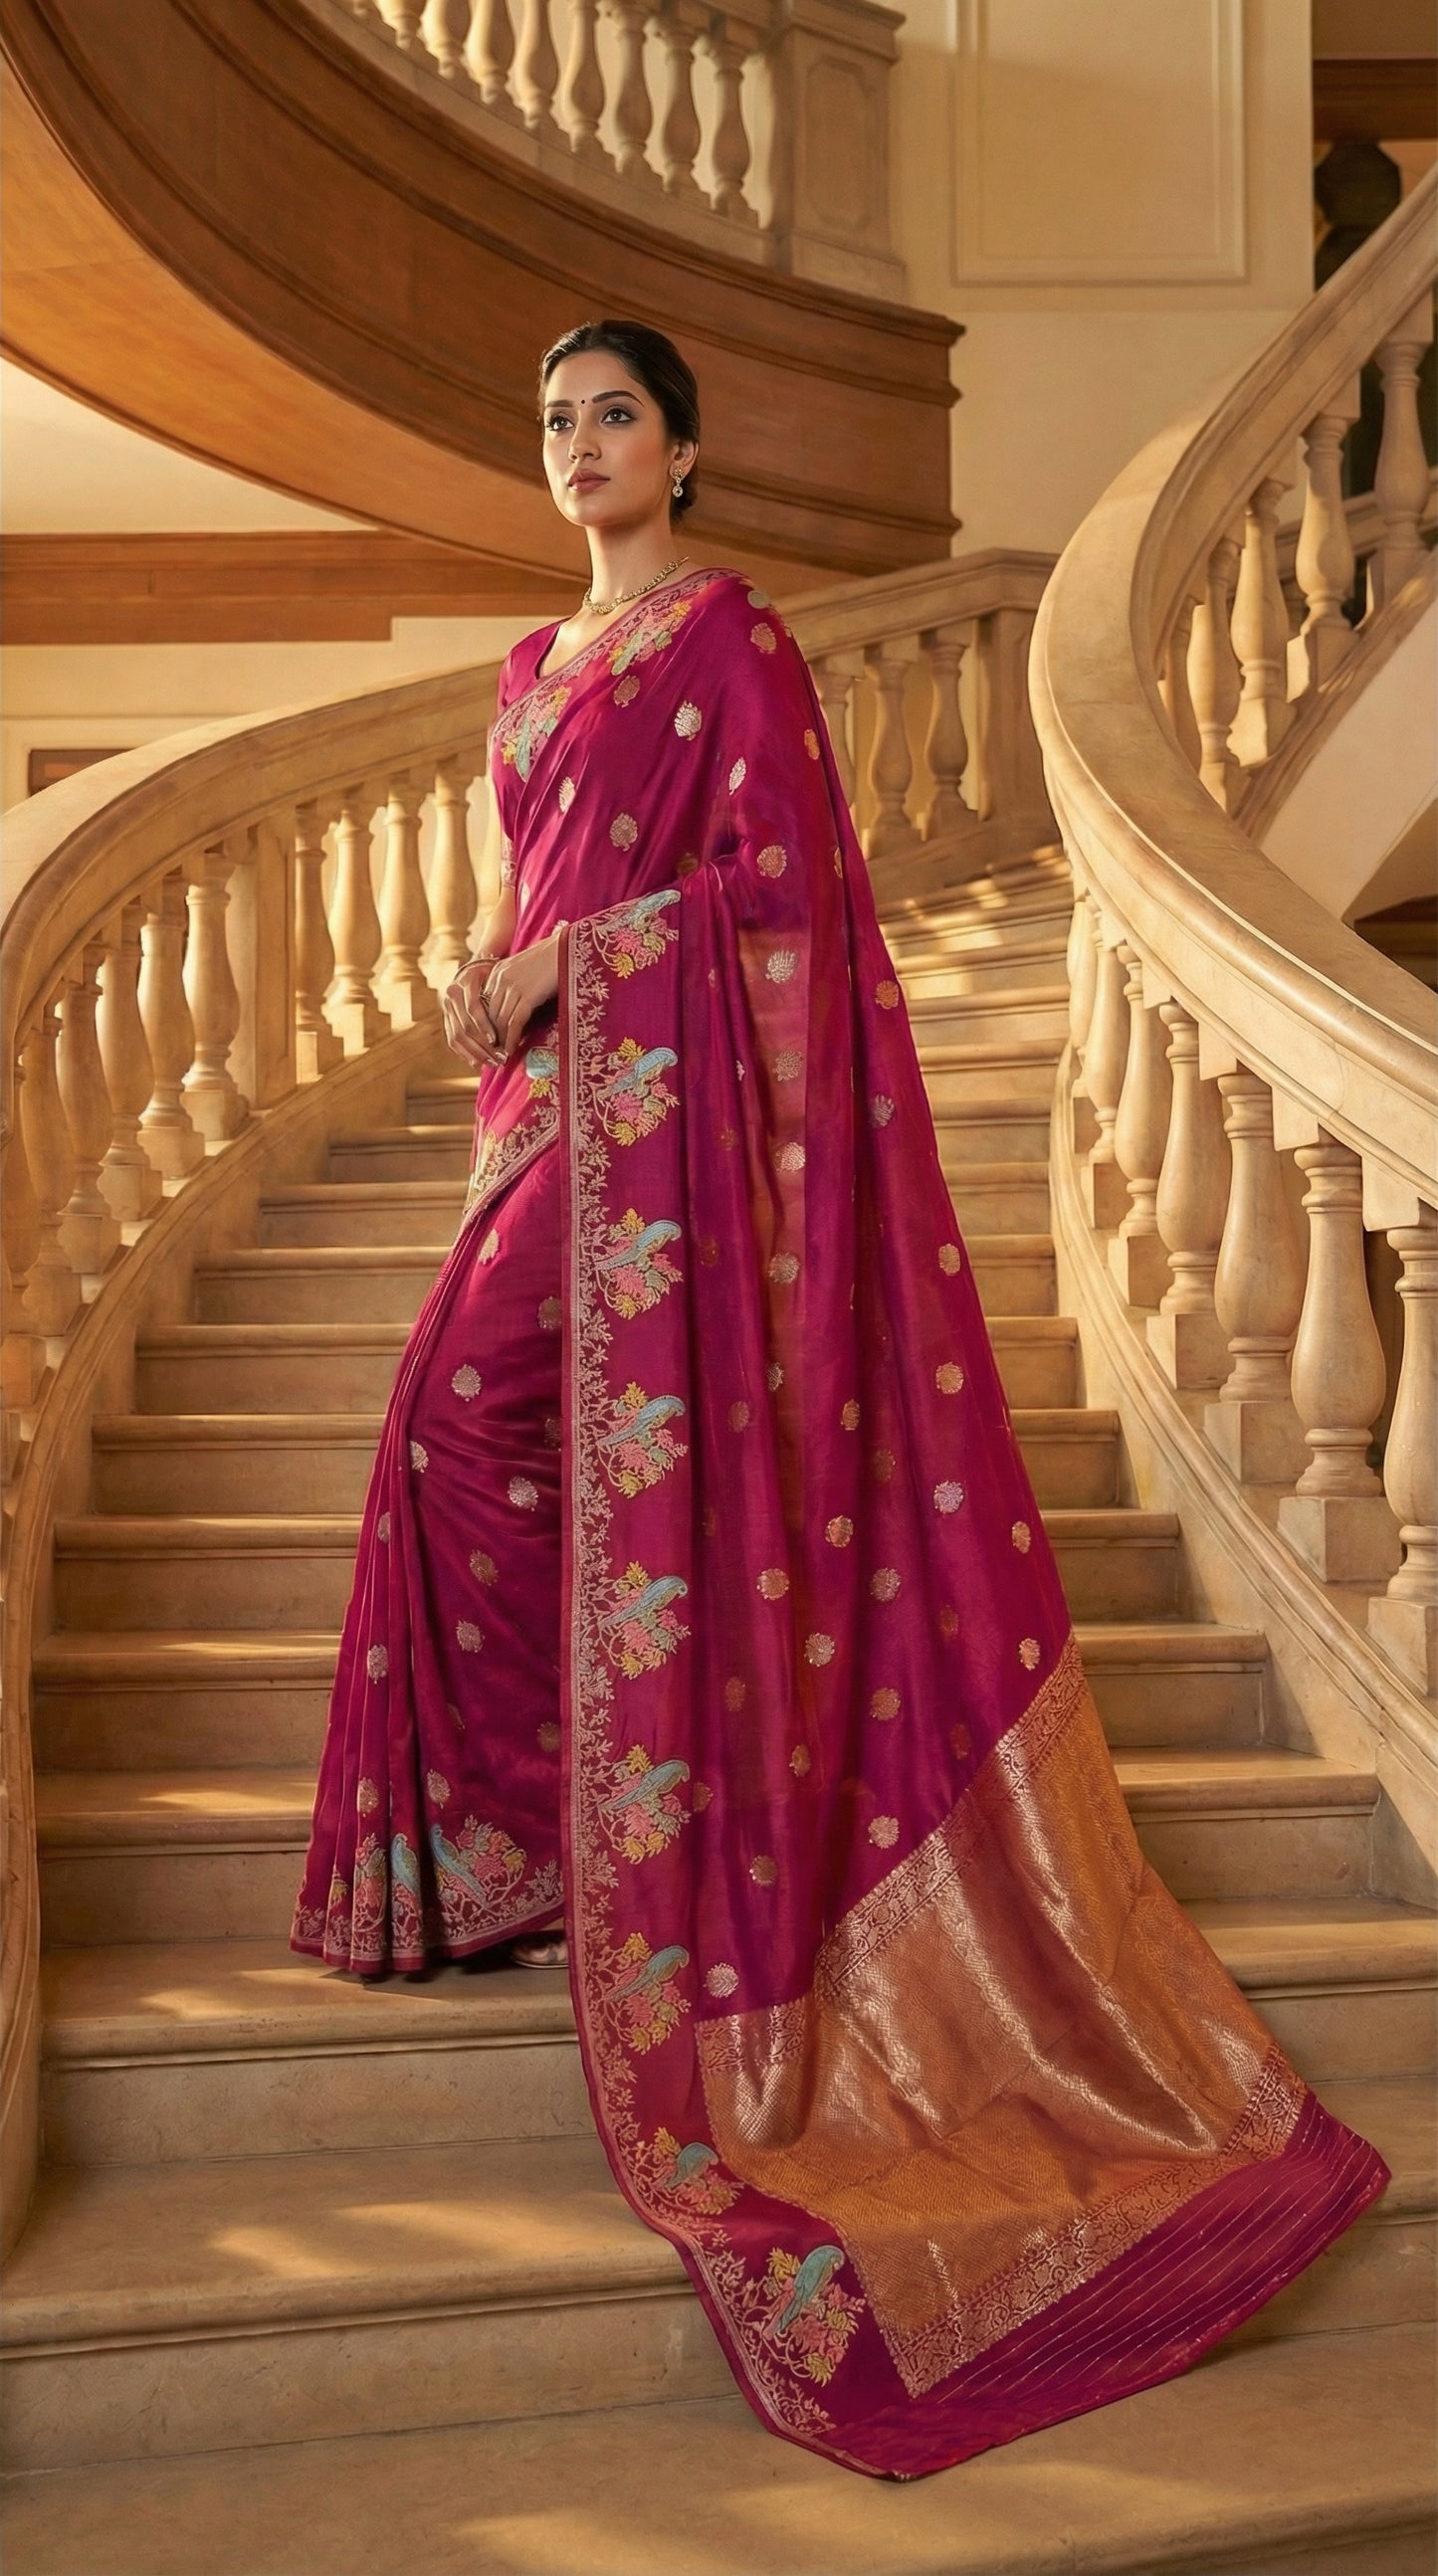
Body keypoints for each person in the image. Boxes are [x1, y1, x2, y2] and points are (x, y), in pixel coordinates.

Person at [293, 318, 1388, 2479]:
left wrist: (587, 962)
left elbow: (788, 893)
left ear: (683, 449)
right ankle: (554, 1839)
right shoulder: (528, 674)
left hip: (661, 1126)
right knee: (442, 1421)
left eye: (613, 413)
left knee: (457, 1406)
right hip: (550, 1110)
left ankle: (633, 1837)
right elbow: (537, 887)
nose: (578, 443)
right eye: (553, 417)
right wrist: (499, 982)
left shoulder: (732, 644)